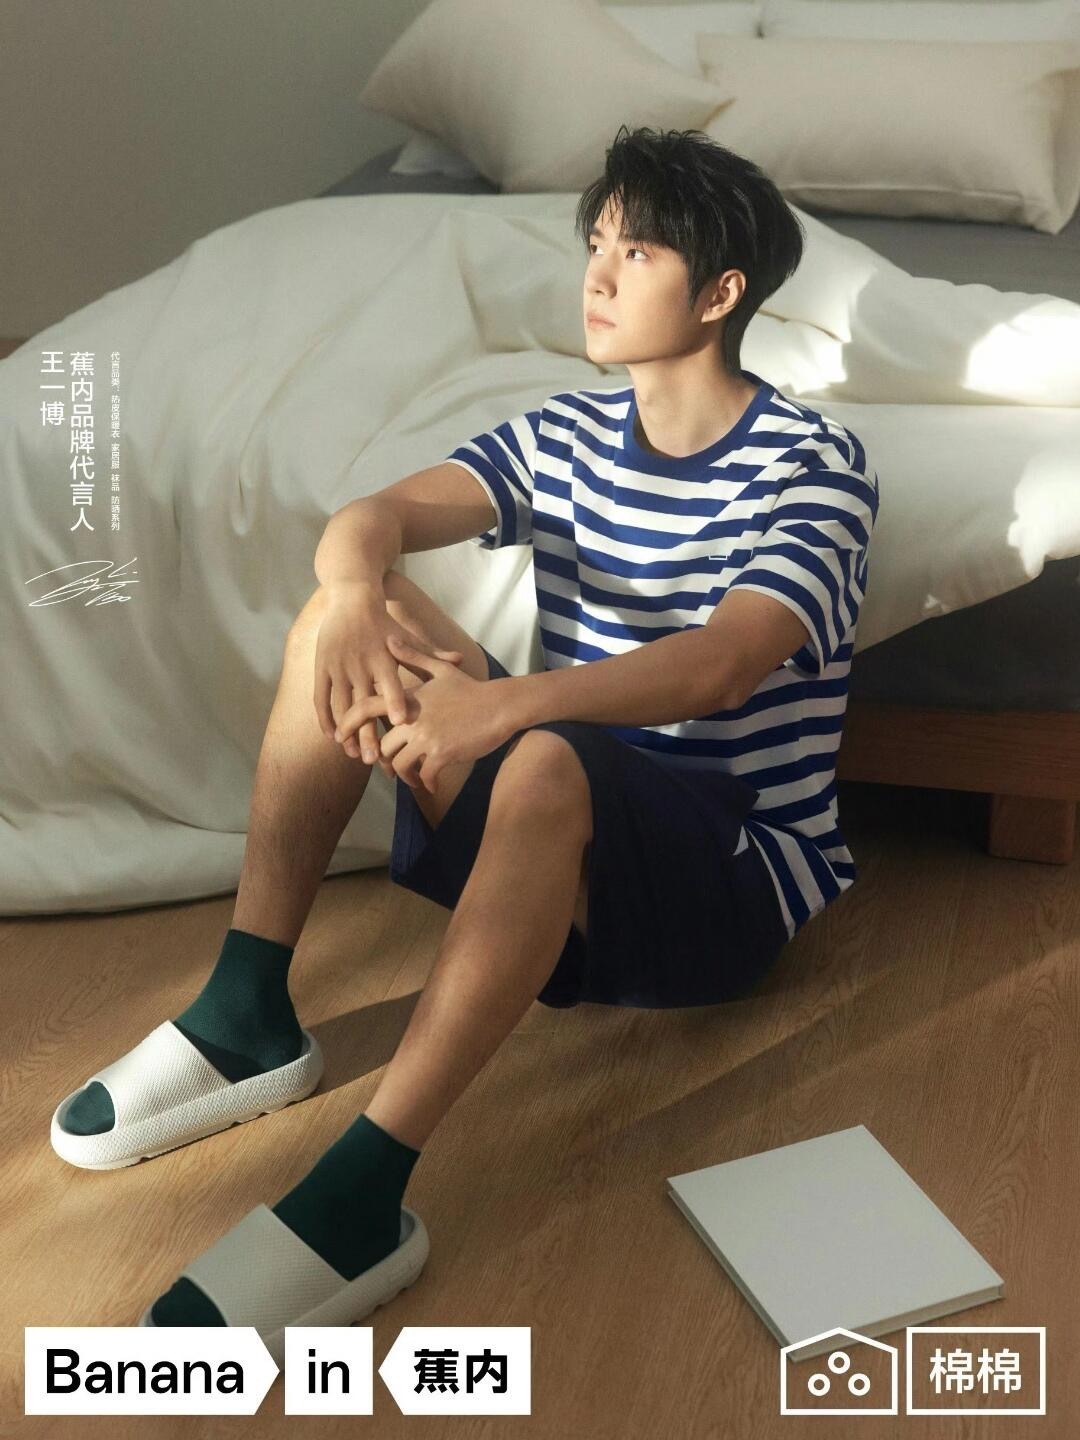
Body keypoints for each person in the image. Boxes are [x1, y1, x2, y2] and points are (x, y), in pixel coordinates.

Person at [51, 125, 879, 1337]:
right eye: (597, 244)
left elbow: (724, 665)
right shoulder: (570, 433)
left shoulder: (816, 465)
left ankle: (365, 1193)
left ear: (719, 294)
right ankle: (248, 1011)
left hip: (730, 877)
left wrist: (507, 702)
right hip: (570, 805)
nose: (598, 275)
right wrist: (351, 595)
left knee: (545, 755)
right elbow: (370, 516)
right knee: (342, 622)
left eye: (638, 252)